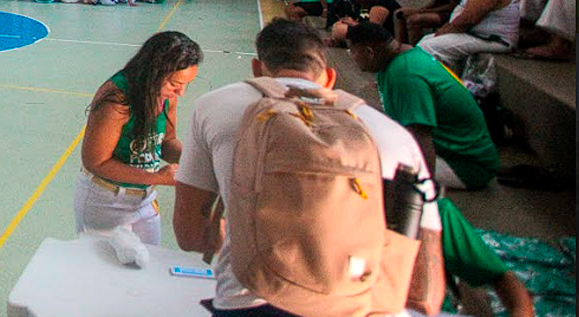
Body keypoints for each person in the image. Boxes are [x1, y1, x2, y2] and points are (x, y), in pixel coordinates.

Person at [172, 19, 445, 317]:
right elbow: (425, 291)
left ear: (256, 69)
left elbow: (190, 235)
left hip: (250, 301)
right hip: (356, 304)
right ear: (329, 78)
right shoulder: (394, 137)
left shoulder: (215, 106)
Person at [76, 31, 201, 244]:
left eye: (186, 84)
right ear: (153, 72)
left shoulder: (166, 97)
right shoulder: (117, 100)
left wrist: (193, 161)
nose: (181, 92)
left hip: (143, 199)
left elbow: (167, 142)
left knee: (148, 268)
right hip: (106, 201)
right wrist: (158, 178)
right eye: (175, 83)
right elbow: (96, 162)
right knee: (106, 273)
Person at [347, 23, 499, 190]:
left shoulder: (406, 74)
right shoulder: (403, 58)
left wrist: (423, 186)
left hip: (464, 166)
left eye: (352, 51)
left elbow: (421, 135)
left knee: (358, 162)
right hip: (453, 154)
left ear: (370, 52)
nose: (351, 57)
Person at [328, 0, 401, 45]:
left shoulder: (381, 5)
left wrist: (352, 23)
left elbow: (373, 29)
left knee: (341, 29)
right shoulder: (374, 2)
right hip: (367, 30)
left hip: (384, 38)